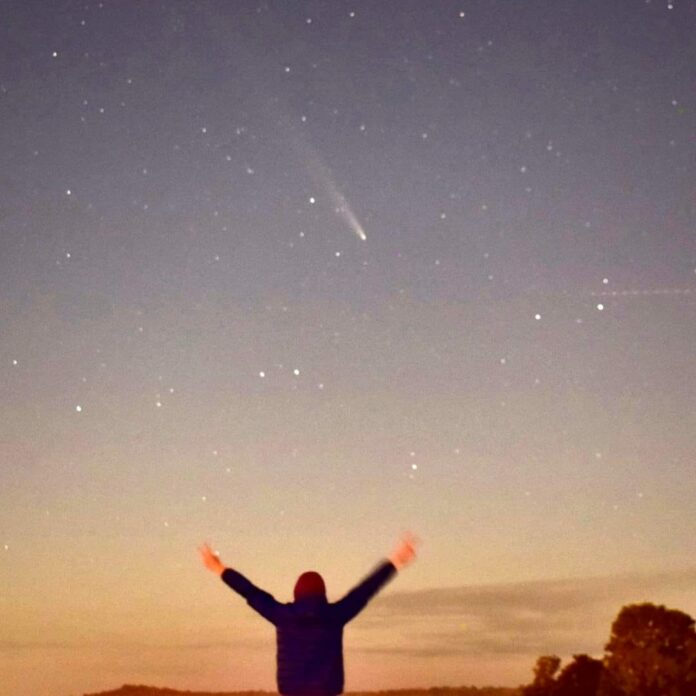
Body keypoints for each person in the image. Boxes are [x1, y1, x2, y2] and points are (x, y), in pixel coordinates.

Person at [199, 532, 418, 696]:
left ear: (296, 593)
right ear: (322, 594)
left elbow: (249, 591)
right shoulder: (335, 615)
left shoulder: (283, 615)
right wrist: (395, 561)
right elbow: (366, 589)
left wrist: (219, 568)